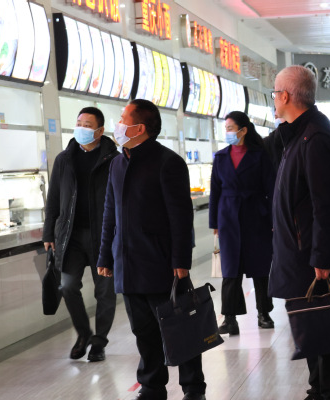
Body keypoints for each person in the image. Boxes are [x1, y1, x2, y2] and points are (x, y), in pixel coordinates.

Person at [96, 99, 206, 400]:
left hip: (161, 263)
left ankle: (193, 388)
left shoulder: (168, 162)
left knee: (179, 327)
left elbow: (181, 217)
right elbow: (110, 213)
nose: (118, 124)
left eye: (123, 118)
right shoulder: (117, 163)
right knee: (143, 331)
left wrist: (181, 261)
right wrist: (105, 255)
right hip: (128, 263)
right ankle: (152, 386)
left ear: (139, 128)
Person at [269, 65, 330, 400]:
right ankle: (318, 390)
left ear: (286, 96)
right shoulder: (296, 135)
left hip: (311, 256)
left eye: (275, 93)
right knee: (311, 328)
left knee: (325, 329)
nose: (274, 99)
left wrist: (322, 257)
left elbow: (326, 205)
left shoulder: (314, 138)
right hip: (299, 251)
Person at [42, 107, 118, 362]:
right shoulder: (64, 159)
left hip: (104, 237)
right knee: (67, 285)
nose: (81, 128)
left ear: (100, 130)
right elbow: (54, 198)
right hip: (70, 236)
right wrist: (48, 233)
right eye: (79, 123)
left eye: (87, 124)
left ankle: (99, 342)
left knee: (105, 292)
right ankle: (84, 333)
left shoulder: (114, 159)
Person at [209, 111, 276, 335]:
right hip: (228, 218)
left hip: (256, 216)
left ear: (243, 130)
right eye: (226, 129)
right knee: (230, 270)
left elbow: (271, 189)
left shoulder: (260, 155)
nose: (227, 132)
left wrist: (273, 218)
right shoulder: (221, 157)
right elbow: (215, 192)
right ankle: (229, 318)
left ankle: (264, 313)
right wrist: (214, 223)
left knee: (260, 268)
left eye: (230, 128)